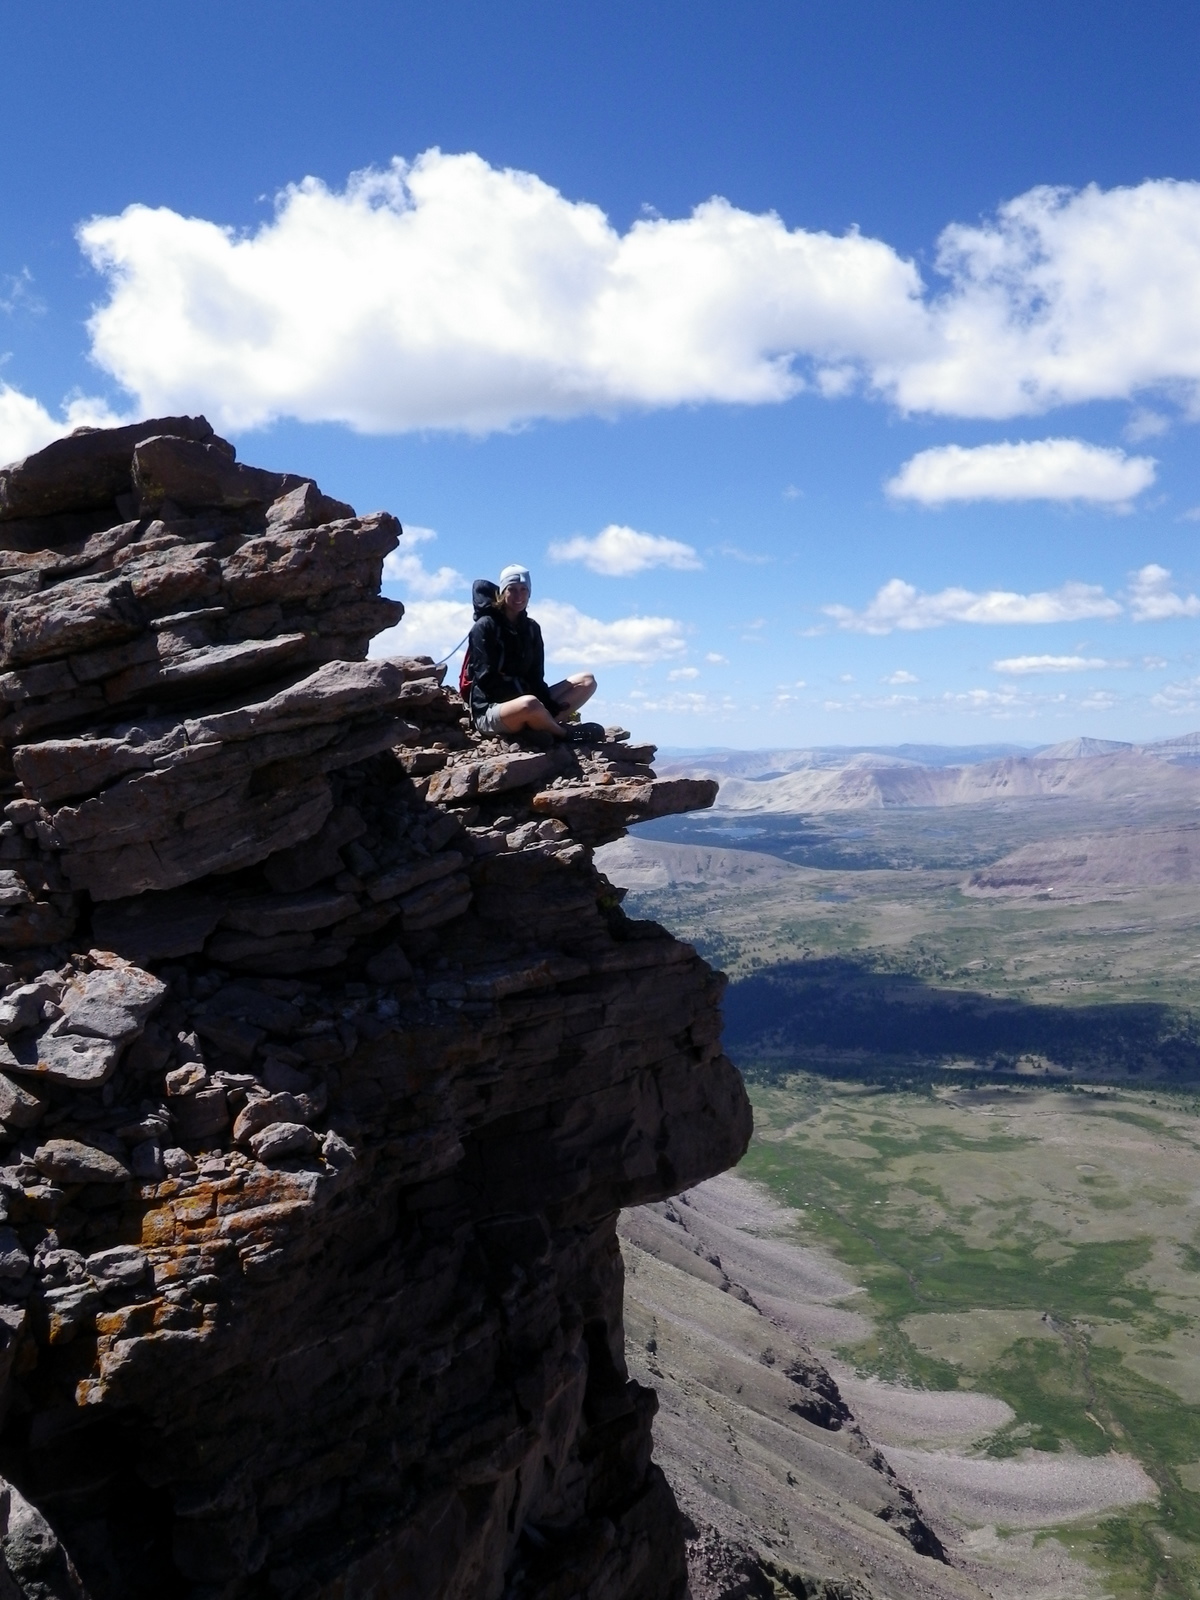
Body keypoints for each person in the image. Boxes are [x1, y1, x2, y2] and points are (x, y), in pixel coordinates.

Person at [466, 565, 604, 742]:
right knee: (529, 704)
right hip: (492, 709)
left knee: (587, 680)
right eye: (512, 589)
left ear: (529, 593)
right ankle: (564, 735)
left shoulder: (531, 629)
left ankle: (541, 724)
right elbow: (486, 680)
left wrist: (548, 703)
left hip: (529, 701)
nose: (519, 596)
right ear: (502, 592)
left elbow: (536, 676)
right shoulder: (485, 627)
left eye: (524, 590)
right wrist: (527, 698)